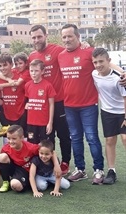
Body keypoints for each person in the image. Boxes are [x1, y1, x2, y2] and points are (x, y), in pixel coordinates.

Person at [57, 24, 105, 184]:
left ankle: (99, 170)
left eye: (69, 36)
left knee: (91, 137)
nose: (66, 39)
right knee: (75, 138)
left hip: (88, 104)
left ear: (78, 37)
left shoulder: (89, 52)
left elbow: (104, 63)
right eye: (64, 37)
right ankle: (80, 169)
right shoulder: (61, 56)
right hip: (69, 105)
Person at [29, 25, 71, 175]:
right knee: (48, 135)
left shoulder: (58, 50)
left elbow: (72, 54)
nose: (36, 40)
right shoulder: (32, 56)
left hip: (59, 101)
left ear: (46, 35)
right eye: (33, 37)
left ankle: (65, 162)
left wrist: (84, 45)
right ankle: (49, 164)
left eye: (39, 36)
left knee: (63, 134)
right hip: (41, 105)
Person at [0, 125, 61, 193]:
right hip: (16, 169)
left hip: (28, 170)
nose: (11, 141)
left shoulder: (31, 147)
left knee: (16, 185)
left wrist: (56, 165)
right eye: (8, 138)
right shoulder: (5, 148)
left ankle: (30, 182)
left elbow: (51, 151)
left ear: (22, 138)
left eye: (14, 138)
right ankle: (6, 182)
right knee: (2, 157)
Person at [91, 48, 126, 184]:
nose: (98, 65)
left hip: (122, 111)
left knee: (124, 139)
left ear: (109, 61)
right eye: (95, 62)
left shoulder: (119, 77)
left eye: (101, 61)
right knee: (110, 140)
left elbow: (125, 98)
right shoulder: (94, 74)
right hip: (107, 112)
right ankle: (112, 171)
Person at [0, 52, 27, 141]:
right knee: (8, 144)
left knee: (23, 143)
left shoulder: (19, 75)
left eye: (5, 65)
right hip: (6, 116)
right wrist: (8, 81)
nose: (2, 68)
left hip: (21, 115)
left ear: (12, 65)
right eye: (0, 66)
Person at [24, 59, 56, 144]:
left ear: (42, 71)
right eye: (31, 71)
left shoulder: (48, 86)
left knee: (45, 147)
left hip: (43, 123)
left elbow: (51, 105)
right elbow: (28, 101)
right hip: (31, 122)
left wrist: (50, 122)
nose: (33, 73)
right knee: (32, 145)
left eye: (36, 71)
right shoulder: (27, 85)